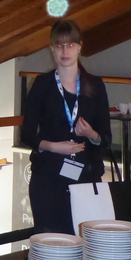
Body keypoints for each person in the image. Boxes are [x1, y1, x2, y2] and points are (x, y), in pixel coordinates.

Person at [20, 19, 111, 235]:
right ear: (52, 49)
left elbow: (106, 138)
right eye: (59, 45)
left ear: (80, 47)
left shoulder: (95, 85)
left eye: (70, 45)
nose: (64, 51)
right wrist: (53, 146)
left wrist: (91, 134)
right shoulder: (42, 84)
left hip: (85, 177)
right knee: (50, 240)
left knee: (84, 240)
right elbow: (27, 134)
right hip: (48, 177)